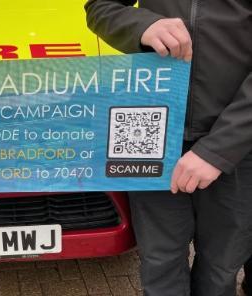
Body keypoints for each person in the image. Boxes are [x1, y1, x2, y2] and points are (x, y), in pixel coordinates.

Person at [85, 0, 252, 295]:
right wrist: (141, 25)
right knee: (159, 261)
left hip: (238, 145)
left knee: (221, 266)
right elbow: (100, 7)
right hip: (148, 129)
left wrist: (219, 149)